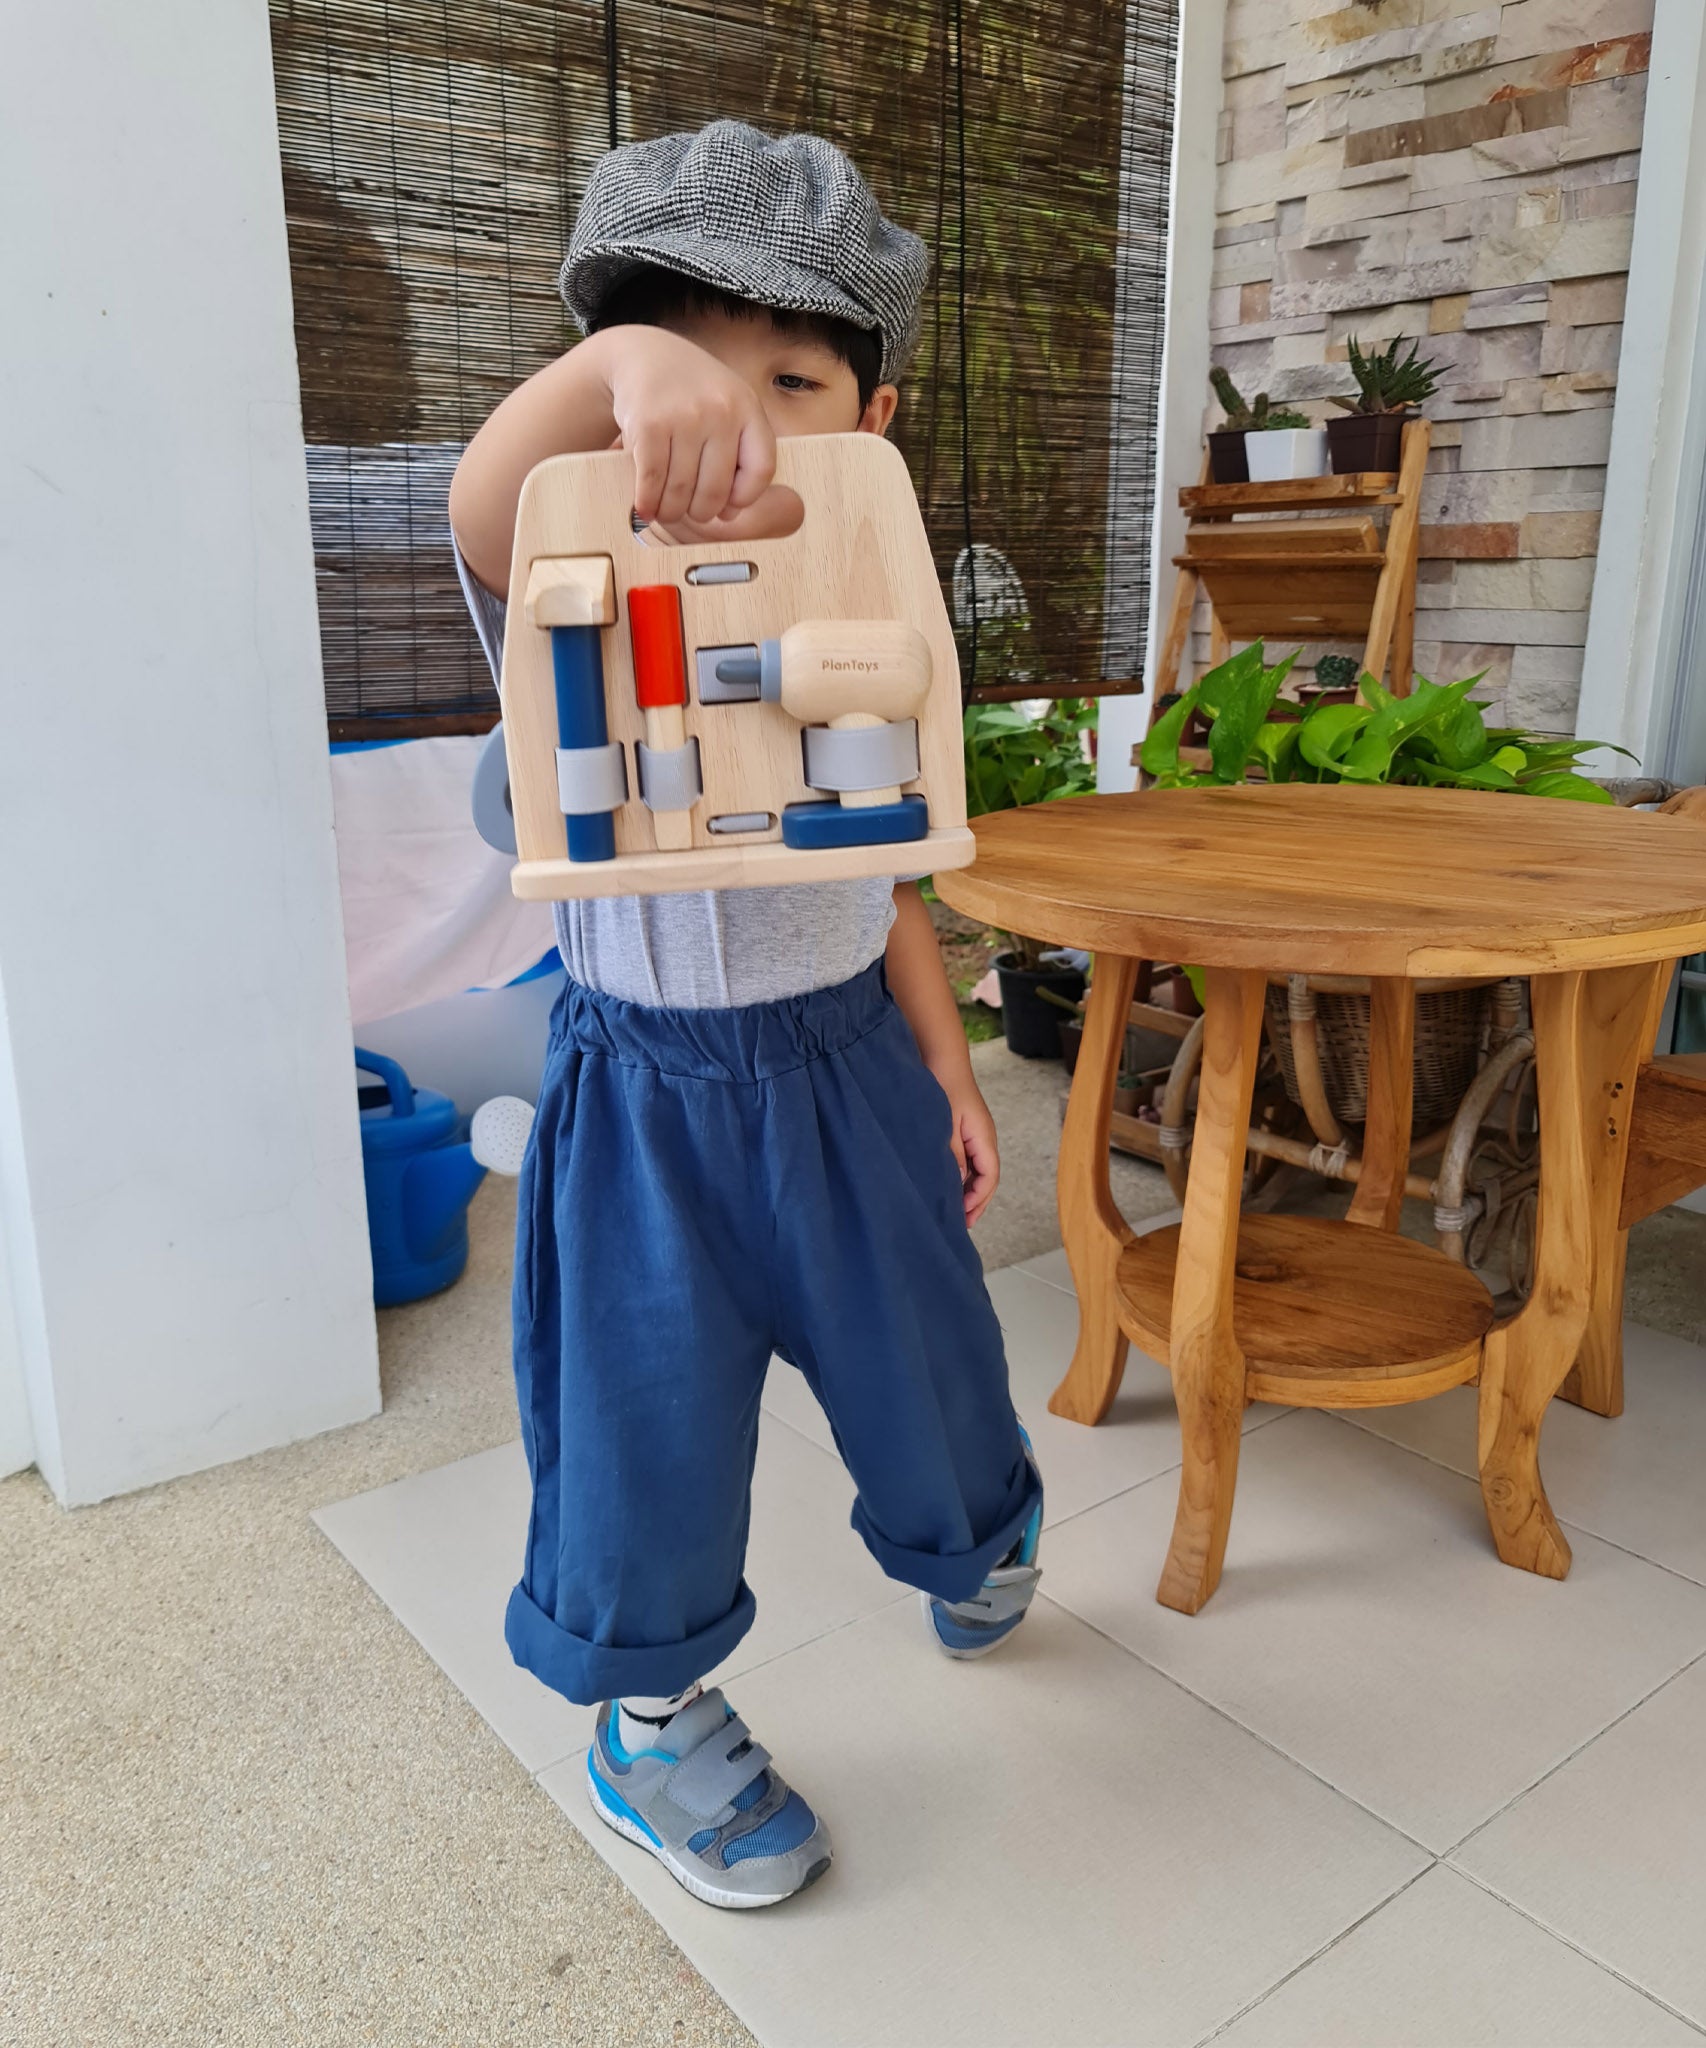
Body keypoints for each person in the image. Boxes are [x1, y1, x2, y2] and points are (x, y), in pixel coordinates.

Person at [449, 119, 1042, 1911]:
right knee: (639, 1421)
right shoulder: (569, 558)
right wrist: (609, 373)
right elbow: (481, 499)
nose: (723, 425)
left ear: (872, 423)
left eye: (787, 380)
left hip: (848, 1066)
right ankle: (649, 1721)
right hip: (641, 1099)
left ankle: (971, 1532)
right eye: (673, 375)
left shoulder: (867, 591)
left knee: (930, 1358)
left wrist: (946, 1064)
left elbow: (890, 877)